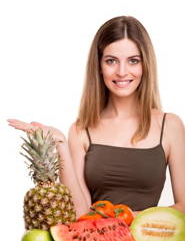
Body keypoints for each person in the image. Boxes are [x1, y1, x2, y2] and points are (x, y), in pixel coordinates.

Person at [7, 16, 185, 218]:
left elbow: (184, 206)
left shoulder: (170, 126)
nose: (122, 72)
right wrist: (61, 145)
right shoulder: (81, 130)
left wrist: (128, 218)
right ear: (99, 66)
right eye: (111, 61)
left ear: (145, 66)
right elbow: (80, 212)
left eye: (133, 61)